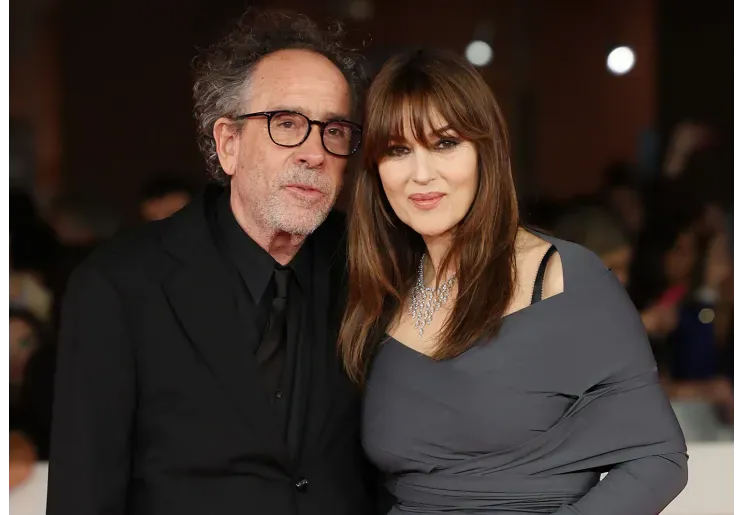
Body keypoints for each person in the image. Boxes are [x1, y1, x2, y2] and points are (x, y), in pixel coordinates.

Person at [47, 10, 378, 515]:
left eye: (333, 130)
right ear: (228, 144)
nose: (315, 153)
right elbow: (84, 495)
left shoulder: (369, 264)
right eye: (287, 124)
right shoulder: (120, 285)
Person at [339, 48, 688, 514]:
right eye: (398, 150)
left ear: (485, 151)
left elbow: (658, 459)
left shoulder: (567, 278)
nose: (421, 174)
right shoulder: (382, 294)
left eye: (445, 143)